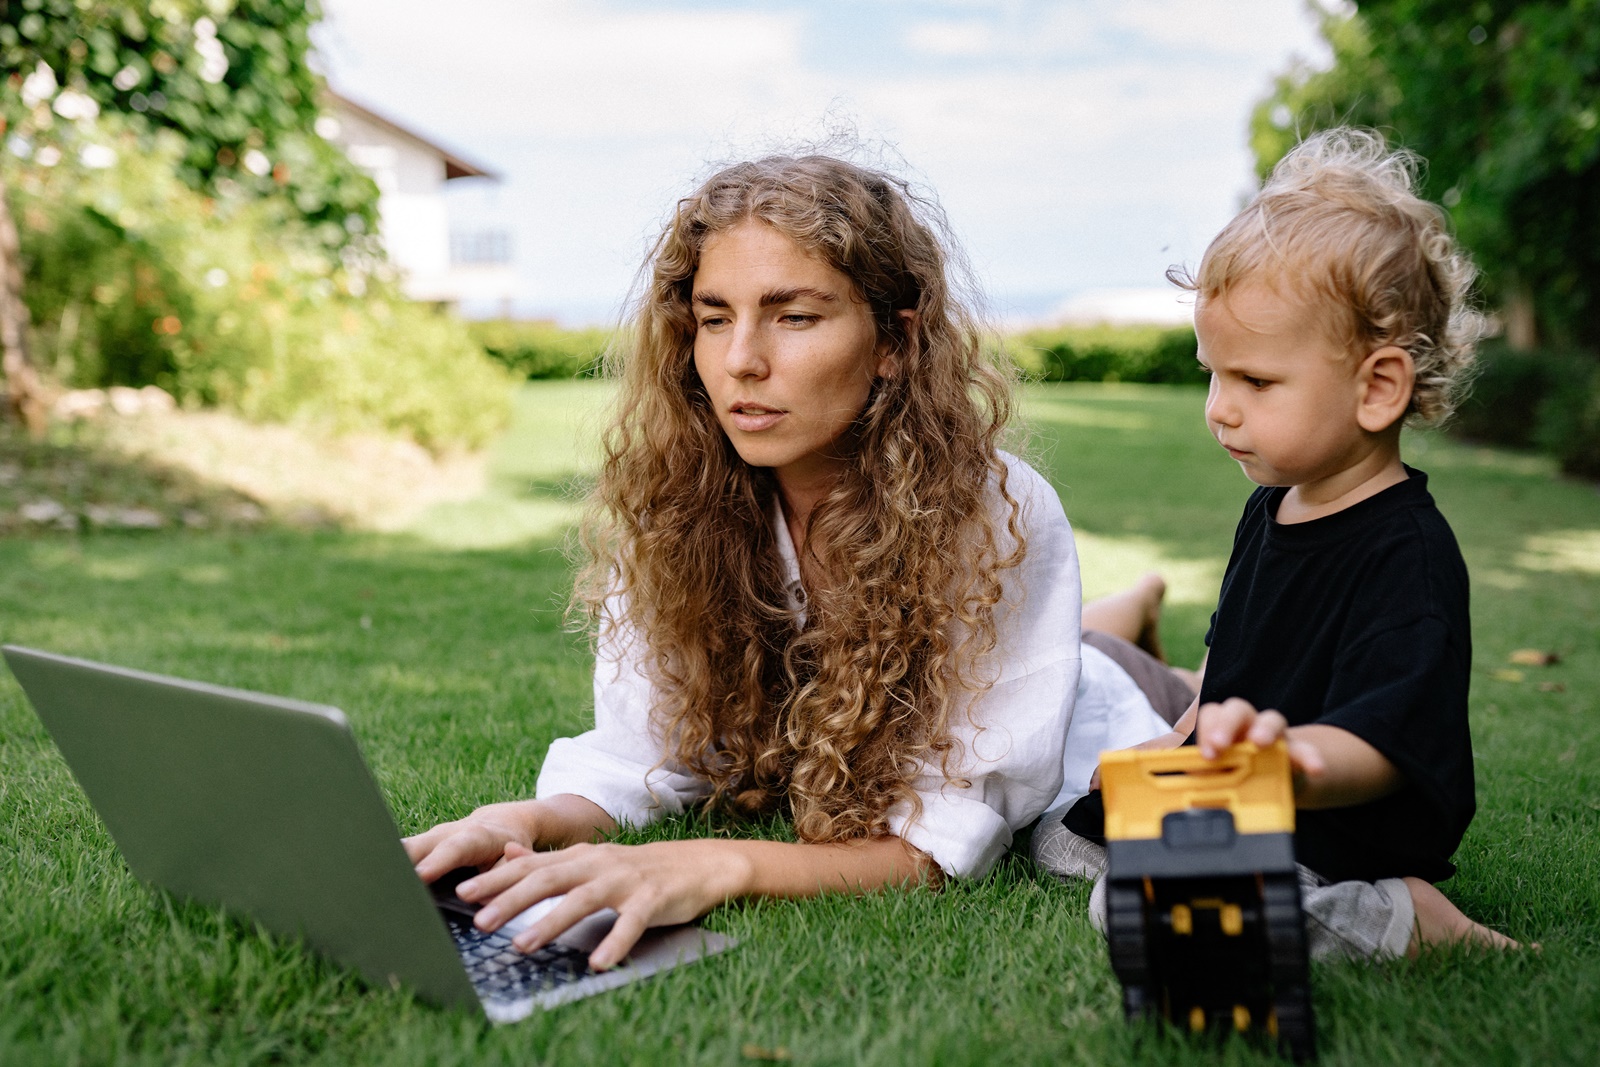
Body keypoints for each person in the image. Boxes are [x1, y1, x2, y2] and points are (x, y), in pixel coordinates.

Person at [403, 154, 1173, 971]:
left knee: (1116, 671)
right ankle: (1131, 608)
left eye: (794, 317)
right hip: (1036, 651)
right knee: (1091, 639)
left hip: (1090, 707)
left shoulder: (995, 515)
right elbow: (641, 752)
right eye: (712, 317)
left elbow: (942, 843)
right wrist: (525, 818)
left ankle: (1137, 621)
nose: (741, 360)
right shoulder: (678, 503)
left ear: (894, 341)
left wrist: (720, 862)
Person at [1036, 128, 1521, 958]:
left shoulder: (1406, 554)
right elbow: (1236, 665)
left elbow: (1381, 743)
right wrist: (1175, 742)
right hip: (1240, 797)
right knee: (1058, 837)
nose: (1219, 409)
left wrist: (1284, 762)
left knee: (1134, 899)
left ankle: (1407, 913)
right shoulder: (1271, 508)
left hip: (1333, 824)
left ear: (1377, 387)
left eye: (1255, 381)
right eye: (1212, 373)